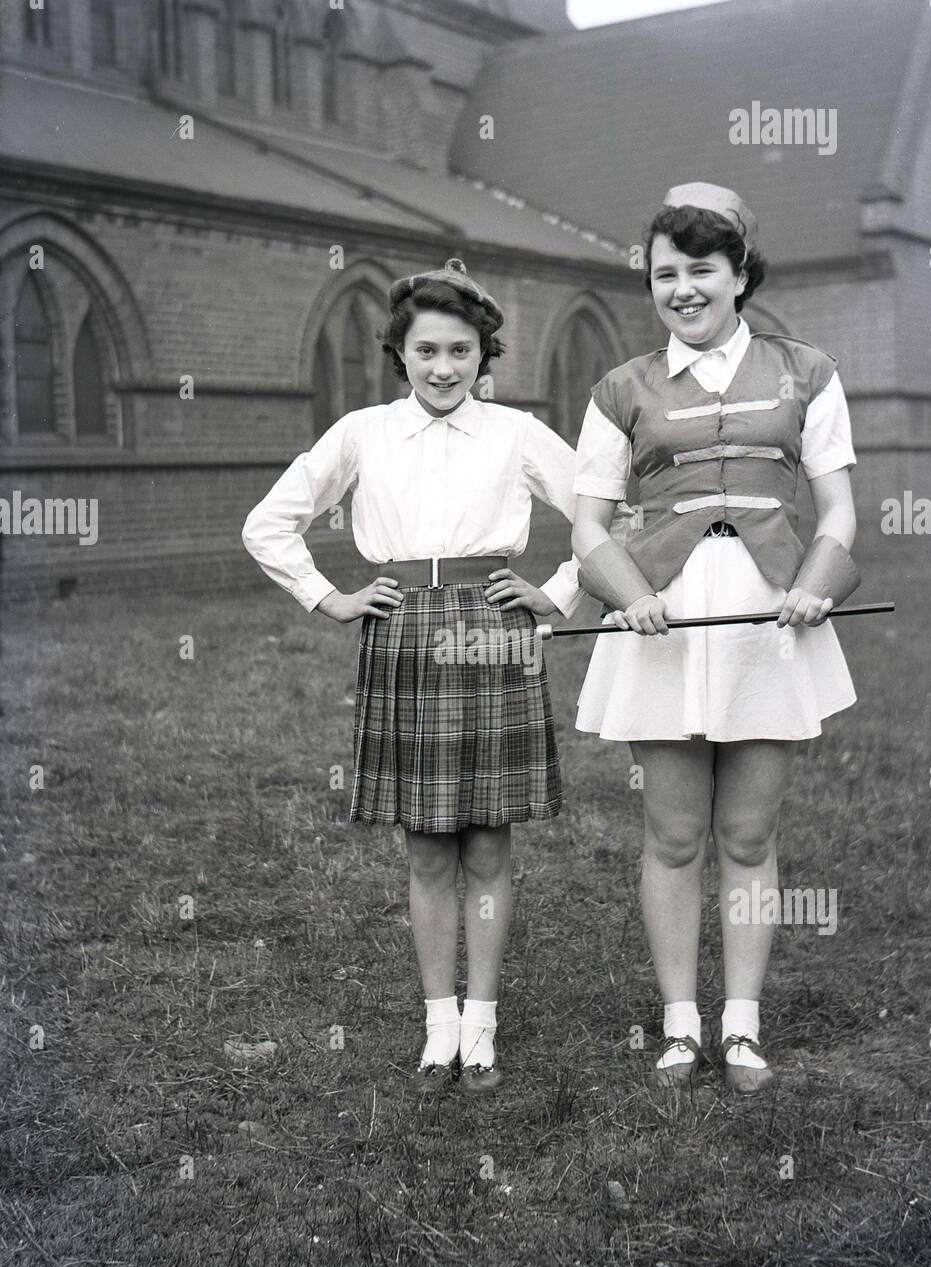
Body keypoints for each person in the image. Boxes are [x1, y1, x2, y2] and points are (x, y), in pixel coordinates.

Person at [242, 259, 588, 1095]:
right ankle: (439, 1027)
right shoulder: (362, 433)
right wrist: (330, 598)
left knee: (490, 839)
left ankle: (484, 1024)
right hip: (401, 630)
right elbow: (268, 523)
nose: (443, 368)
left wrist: (556, 593)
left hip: (495, 631)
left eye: (461, 351)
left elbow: (606, 513)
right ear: (399, 353)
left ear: (483, 355)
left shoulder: (515, 433)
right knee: (428, 845)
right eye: (426, 350)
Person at [571, 183, 859, 1094]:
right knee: (671, 834)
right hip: (661, 620)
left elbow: (841, 510)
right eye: (665, 274)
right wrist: (629, 594)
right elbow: (587, 528)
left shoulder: (806, 370)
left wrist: (814, 590)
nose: (682, 289)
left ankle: (740, 1027)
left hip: (768, 623)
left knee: (747, 834)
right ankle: (677, 1025)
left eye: (701, 270)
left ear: (738, 275)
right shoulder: (620, 388)